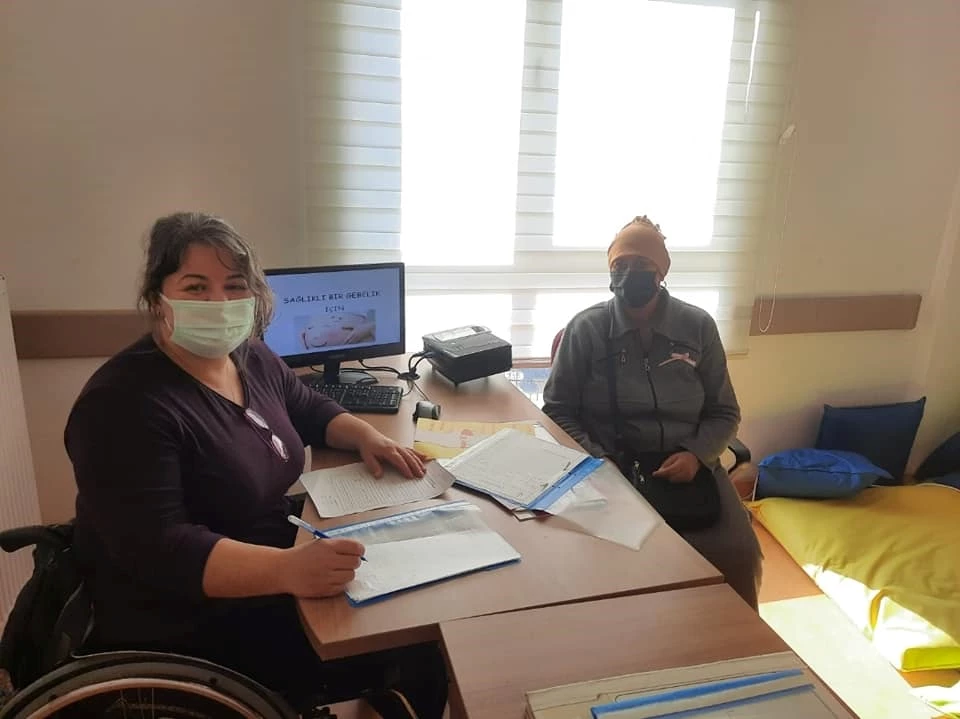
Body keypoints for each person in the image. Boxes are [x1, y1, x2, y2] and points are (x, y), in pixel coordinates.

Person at [64, 212, 447, 717]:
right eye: (196, 287)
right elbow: (161, 549)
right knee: (417, 643)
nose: (220, 303)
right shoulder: (122, 404)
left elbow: (307, 406)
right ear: (158, 298)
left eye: (234, 285)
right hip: (192, 614)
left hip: (274, 552)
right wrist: (288, 570)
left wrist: (367, 436)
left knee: (416, 598)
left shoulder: (249, 355)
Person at [542, 215, 762, 609]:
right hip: (611, 469)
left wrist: (697, 455)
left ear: (661, 272)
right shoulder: (586, 329)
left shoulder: (697, 326)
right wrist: (599, 461)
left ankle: (731, 637)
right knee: (605, 569)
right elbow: (557, 410)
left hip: (689, 467)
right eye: (619, 265)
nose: (629, 274)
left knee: (738, 556)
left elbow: (725, 411)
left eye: (641, 265)